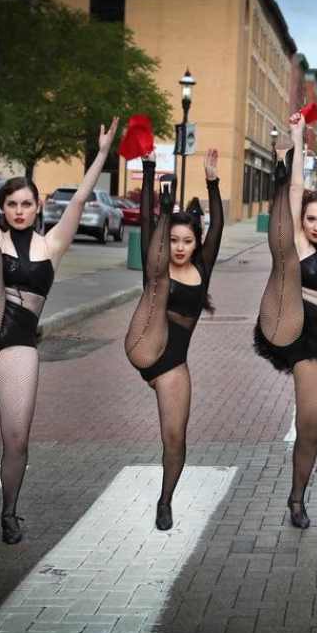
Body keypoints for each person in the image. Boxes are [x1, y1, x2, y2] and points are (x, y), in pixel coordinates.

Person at [0, 103, 118, 544]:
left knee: (16, 437)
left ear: (37, 206)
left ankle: (9, 512)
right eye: (10, 203)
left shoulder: (52, 246)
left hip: (18, 339)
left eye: (25, 203)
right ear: (4, 207)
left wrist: (103, 152)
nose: (18, 210)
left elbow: (83, 198)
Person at [253, 112, 317, 529]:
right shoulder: (297, 239)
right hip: (290, 321)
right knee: (283, 255)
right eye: (310, 218)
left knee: (310, 425)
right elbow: (296, 188)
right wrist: (296, 137)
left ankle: (297, 497)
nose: (316, 225)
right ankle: (272, 324)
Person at [123, 149, 223, 531]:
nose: (180, 248)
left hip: (172, 364)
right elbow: (148, 228)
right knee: (158, 276)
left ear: (195, 244)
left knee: (176, 437)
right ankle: (165, 210)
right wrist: (148, 171)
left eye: (187, 241)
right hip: (146, 341)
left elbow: (217, 229)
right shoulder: (160, 265)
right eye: (174, 240)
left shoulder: (202, 267)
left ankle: (165, 501)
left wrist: (212, 181)